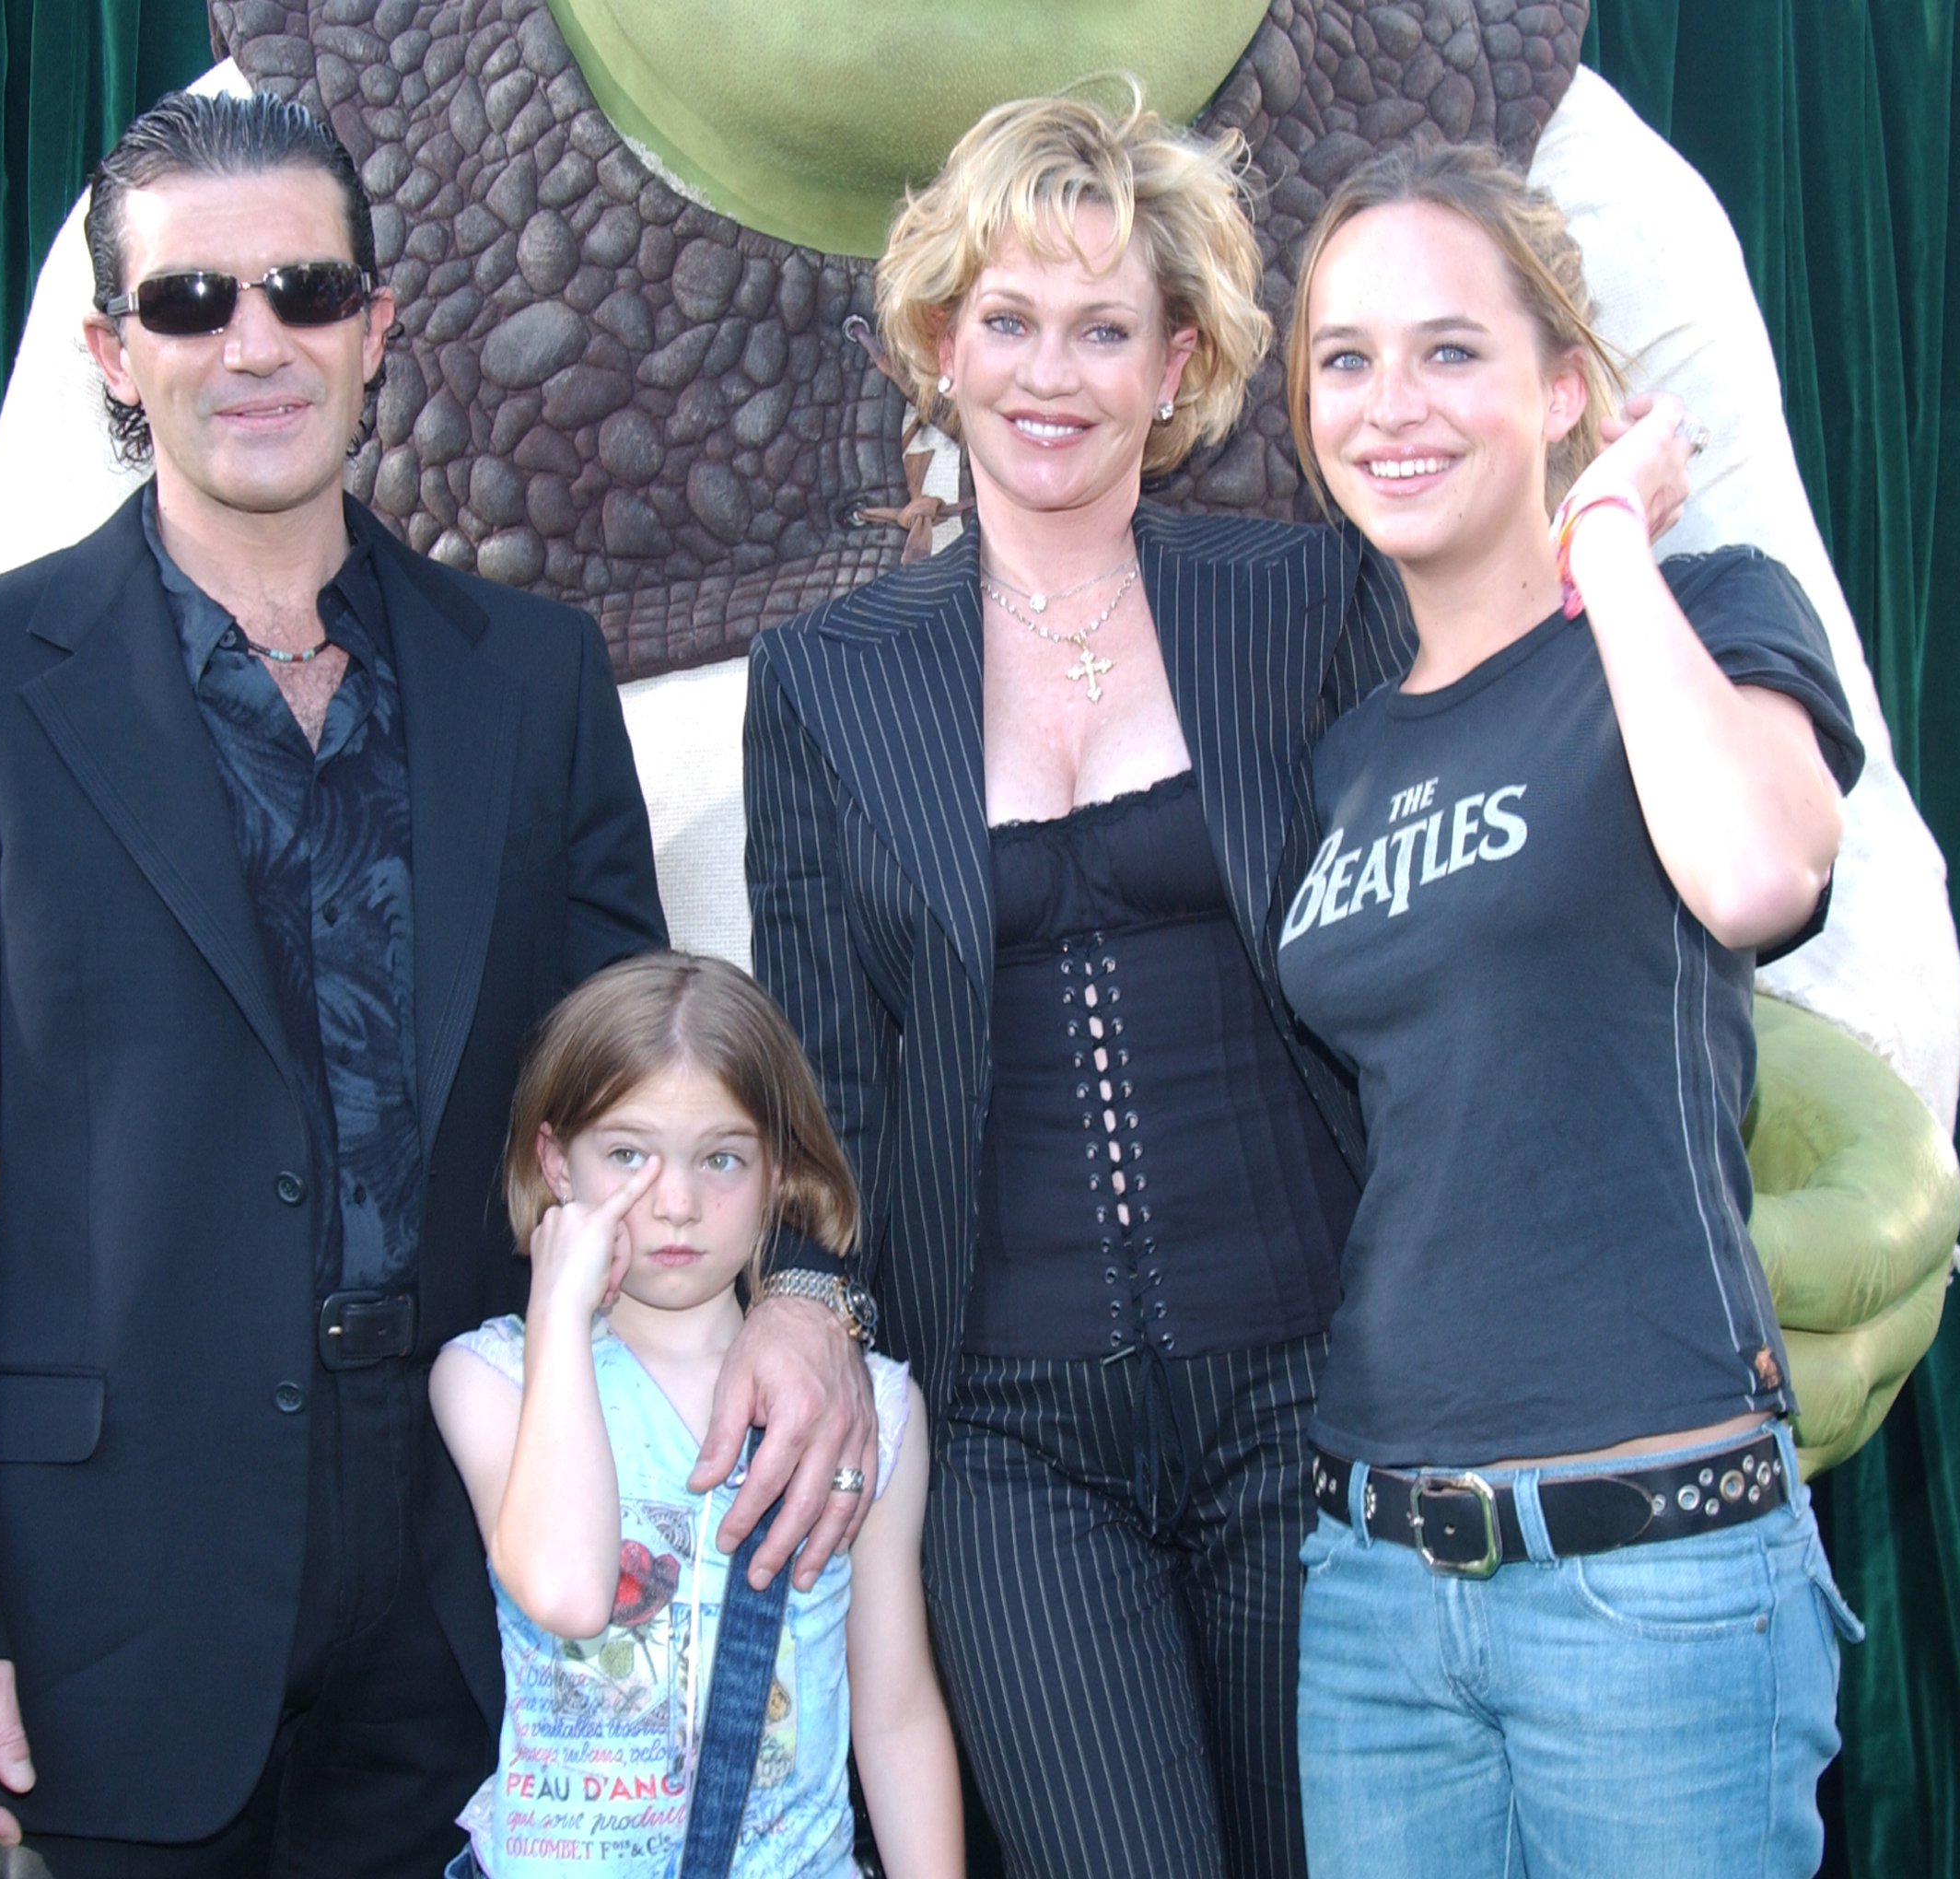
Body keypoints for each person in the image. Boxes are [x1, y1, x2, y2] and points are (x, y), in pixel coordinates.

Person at [0, 90, 877, 1877]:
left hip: (480, 1561)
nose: (256, 343)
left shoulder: (531, 678)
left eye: (304, 290)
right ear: (111, 351)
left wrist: (807, 1294)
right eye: (191, 303)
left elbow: (643, 1083)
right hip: (111, 1598)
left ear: (378, 328)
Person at [743, 93, 1411, 1878]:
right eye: (1010, 320)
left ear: (1176, 363)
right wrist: (806, 1300)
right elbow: (819, 1061)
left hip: (1320, 1399)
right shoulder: (828, 677)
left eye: (1105, 327)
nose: (1053, 372)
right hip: (1011, 1439)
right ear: (940, 343)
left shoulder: (1306, 600)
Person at [1275, 142, 1870, 1878]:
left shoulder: (1705, 616)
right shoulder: (1350, 757)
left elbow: (1760, 873)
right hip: (1378, 1594)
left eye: (1453, 349)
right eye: (1347, 358)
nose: (1393, 403)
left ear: (1564, 385)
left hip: (1652, 1587)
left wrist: (1603, 536)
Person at [430, 952, 962, 1877]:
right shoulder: (493, 1379)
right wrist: (558, 1312)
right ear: (556, 1163)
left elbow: (895, 1709)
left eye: (720, 1158)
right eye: (627, 1155)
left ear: (778, 1173)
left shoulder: (870, 1408)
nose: (675, 1204)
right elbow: (568, 1592)